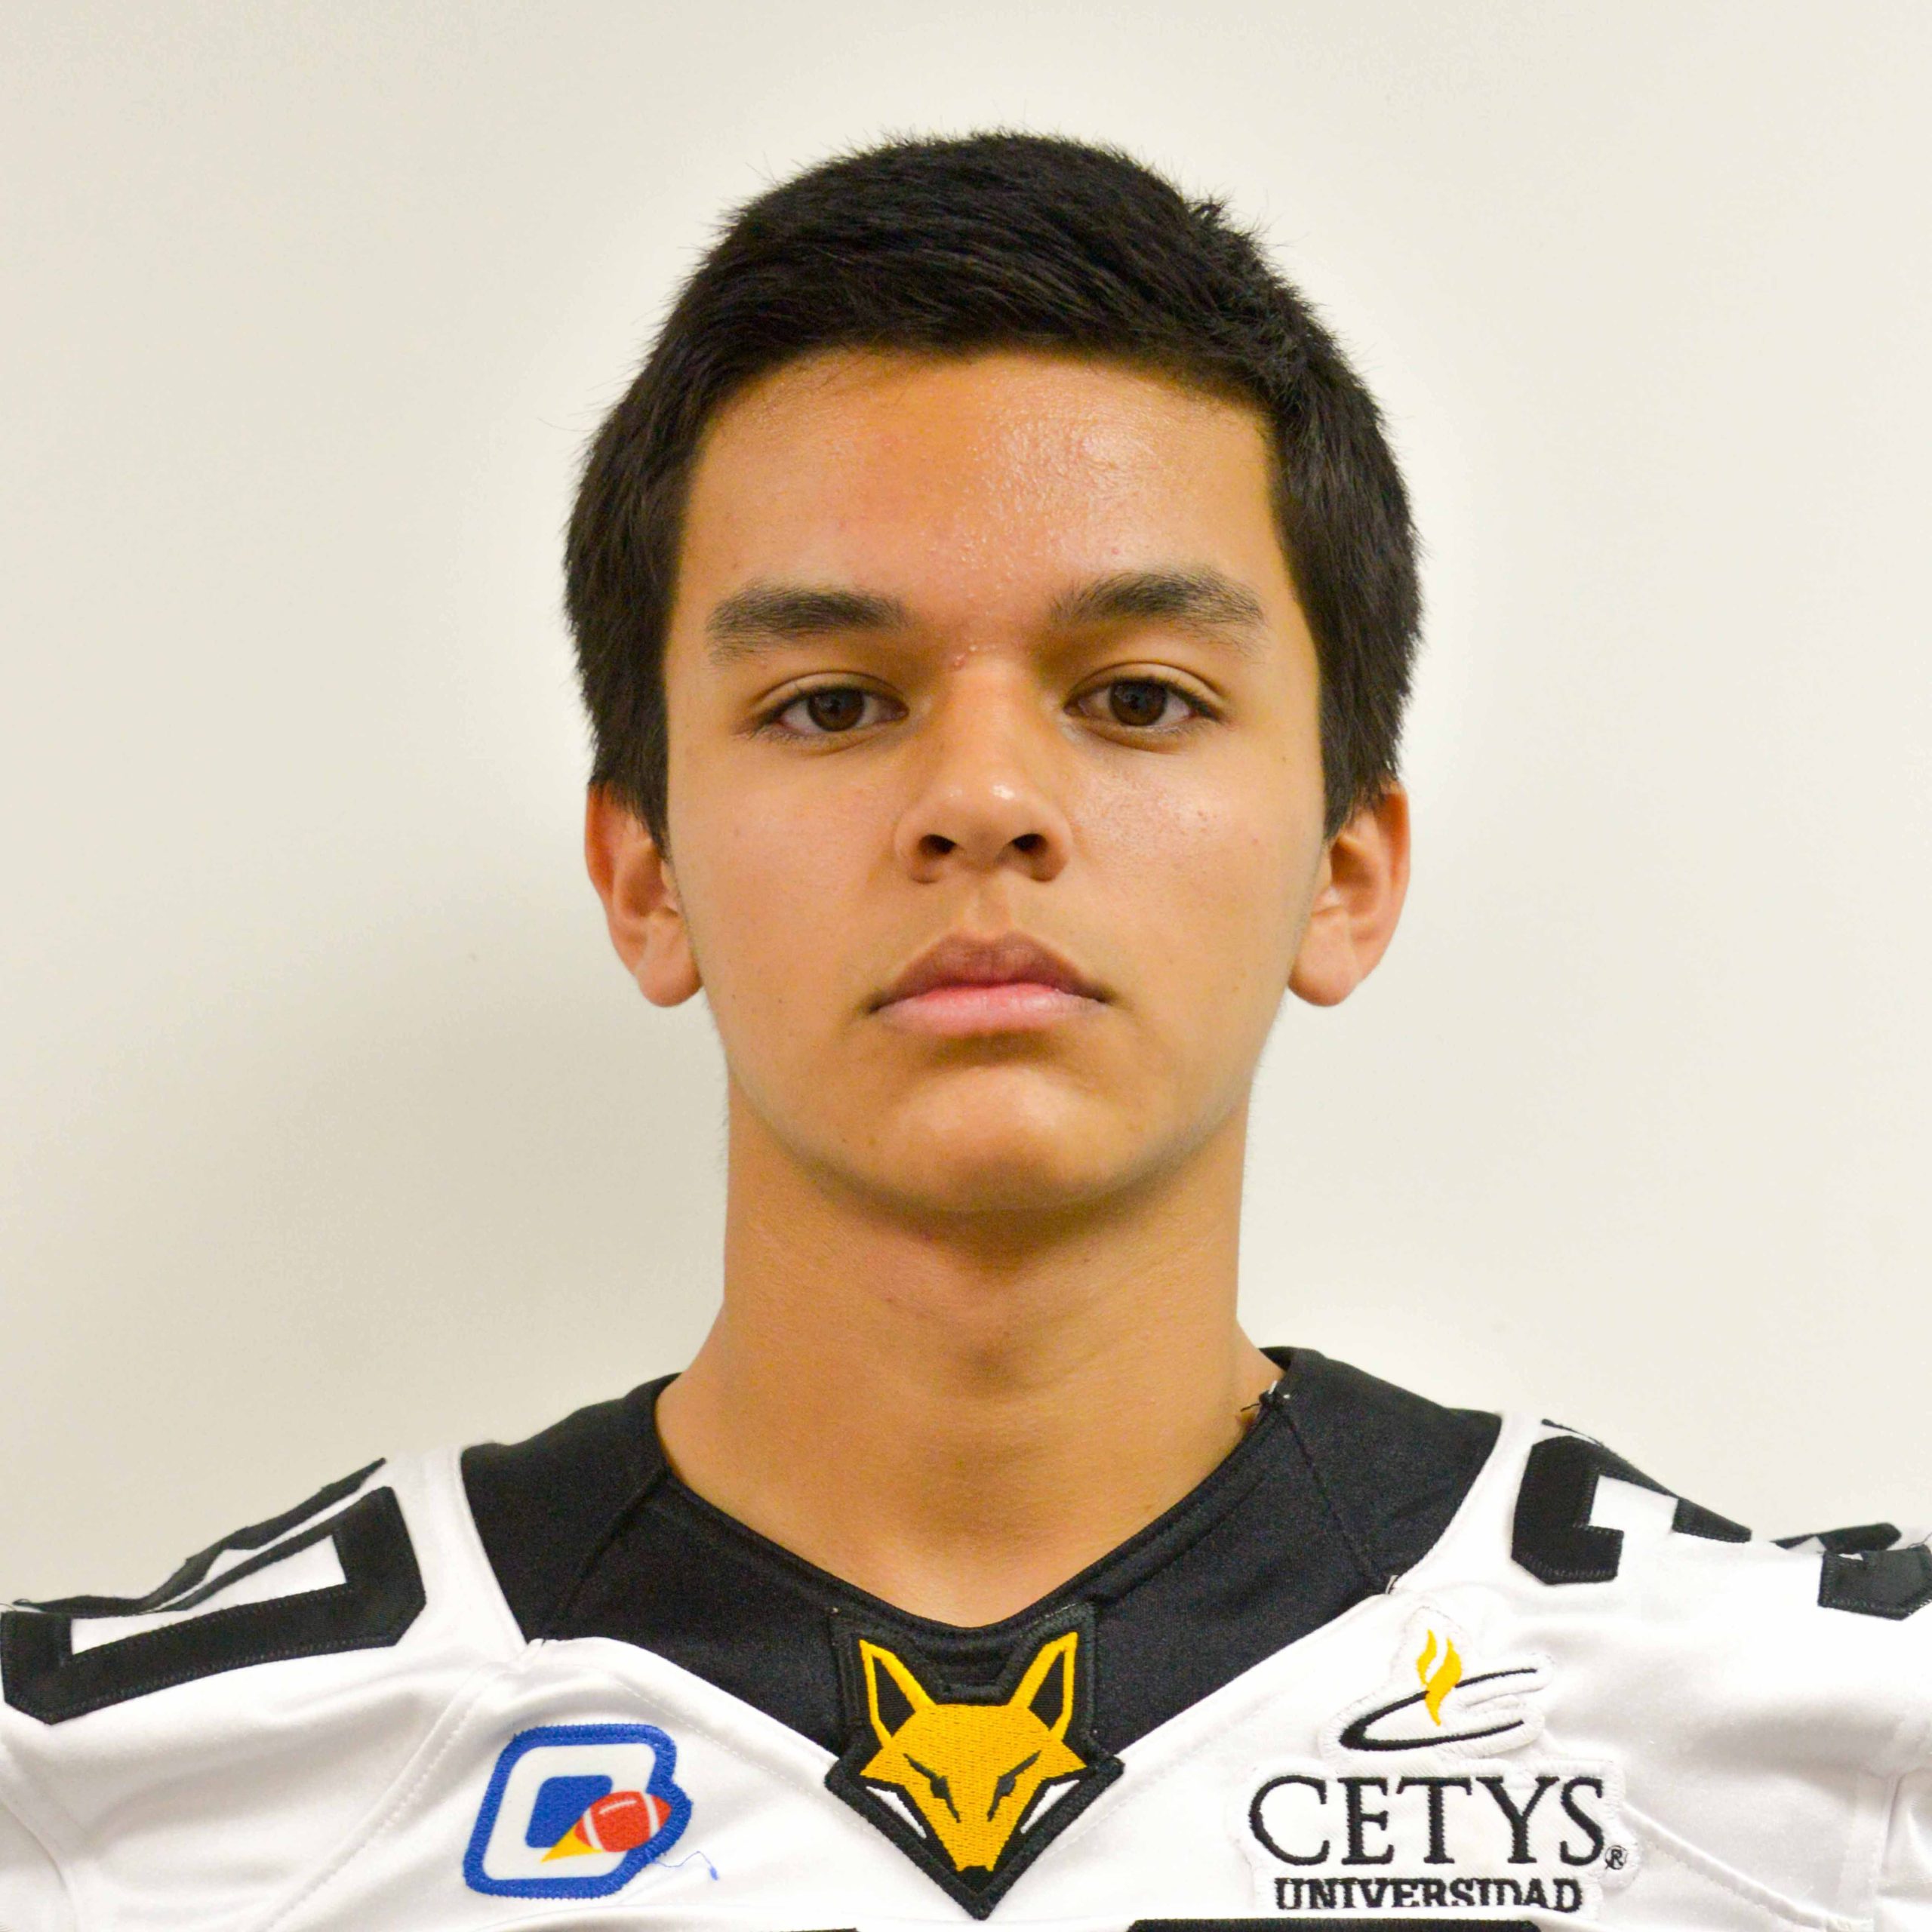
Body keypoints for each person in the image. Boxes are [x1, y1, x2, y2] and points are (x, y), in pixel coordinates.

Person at [2, 131, 1926, 1930]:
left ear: (1344, 869)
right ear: (643, 871)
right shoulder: (119, 1808)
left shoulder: (1832, 1764)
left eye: (1140, 696)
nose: (983, 799)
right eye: (833, 703)